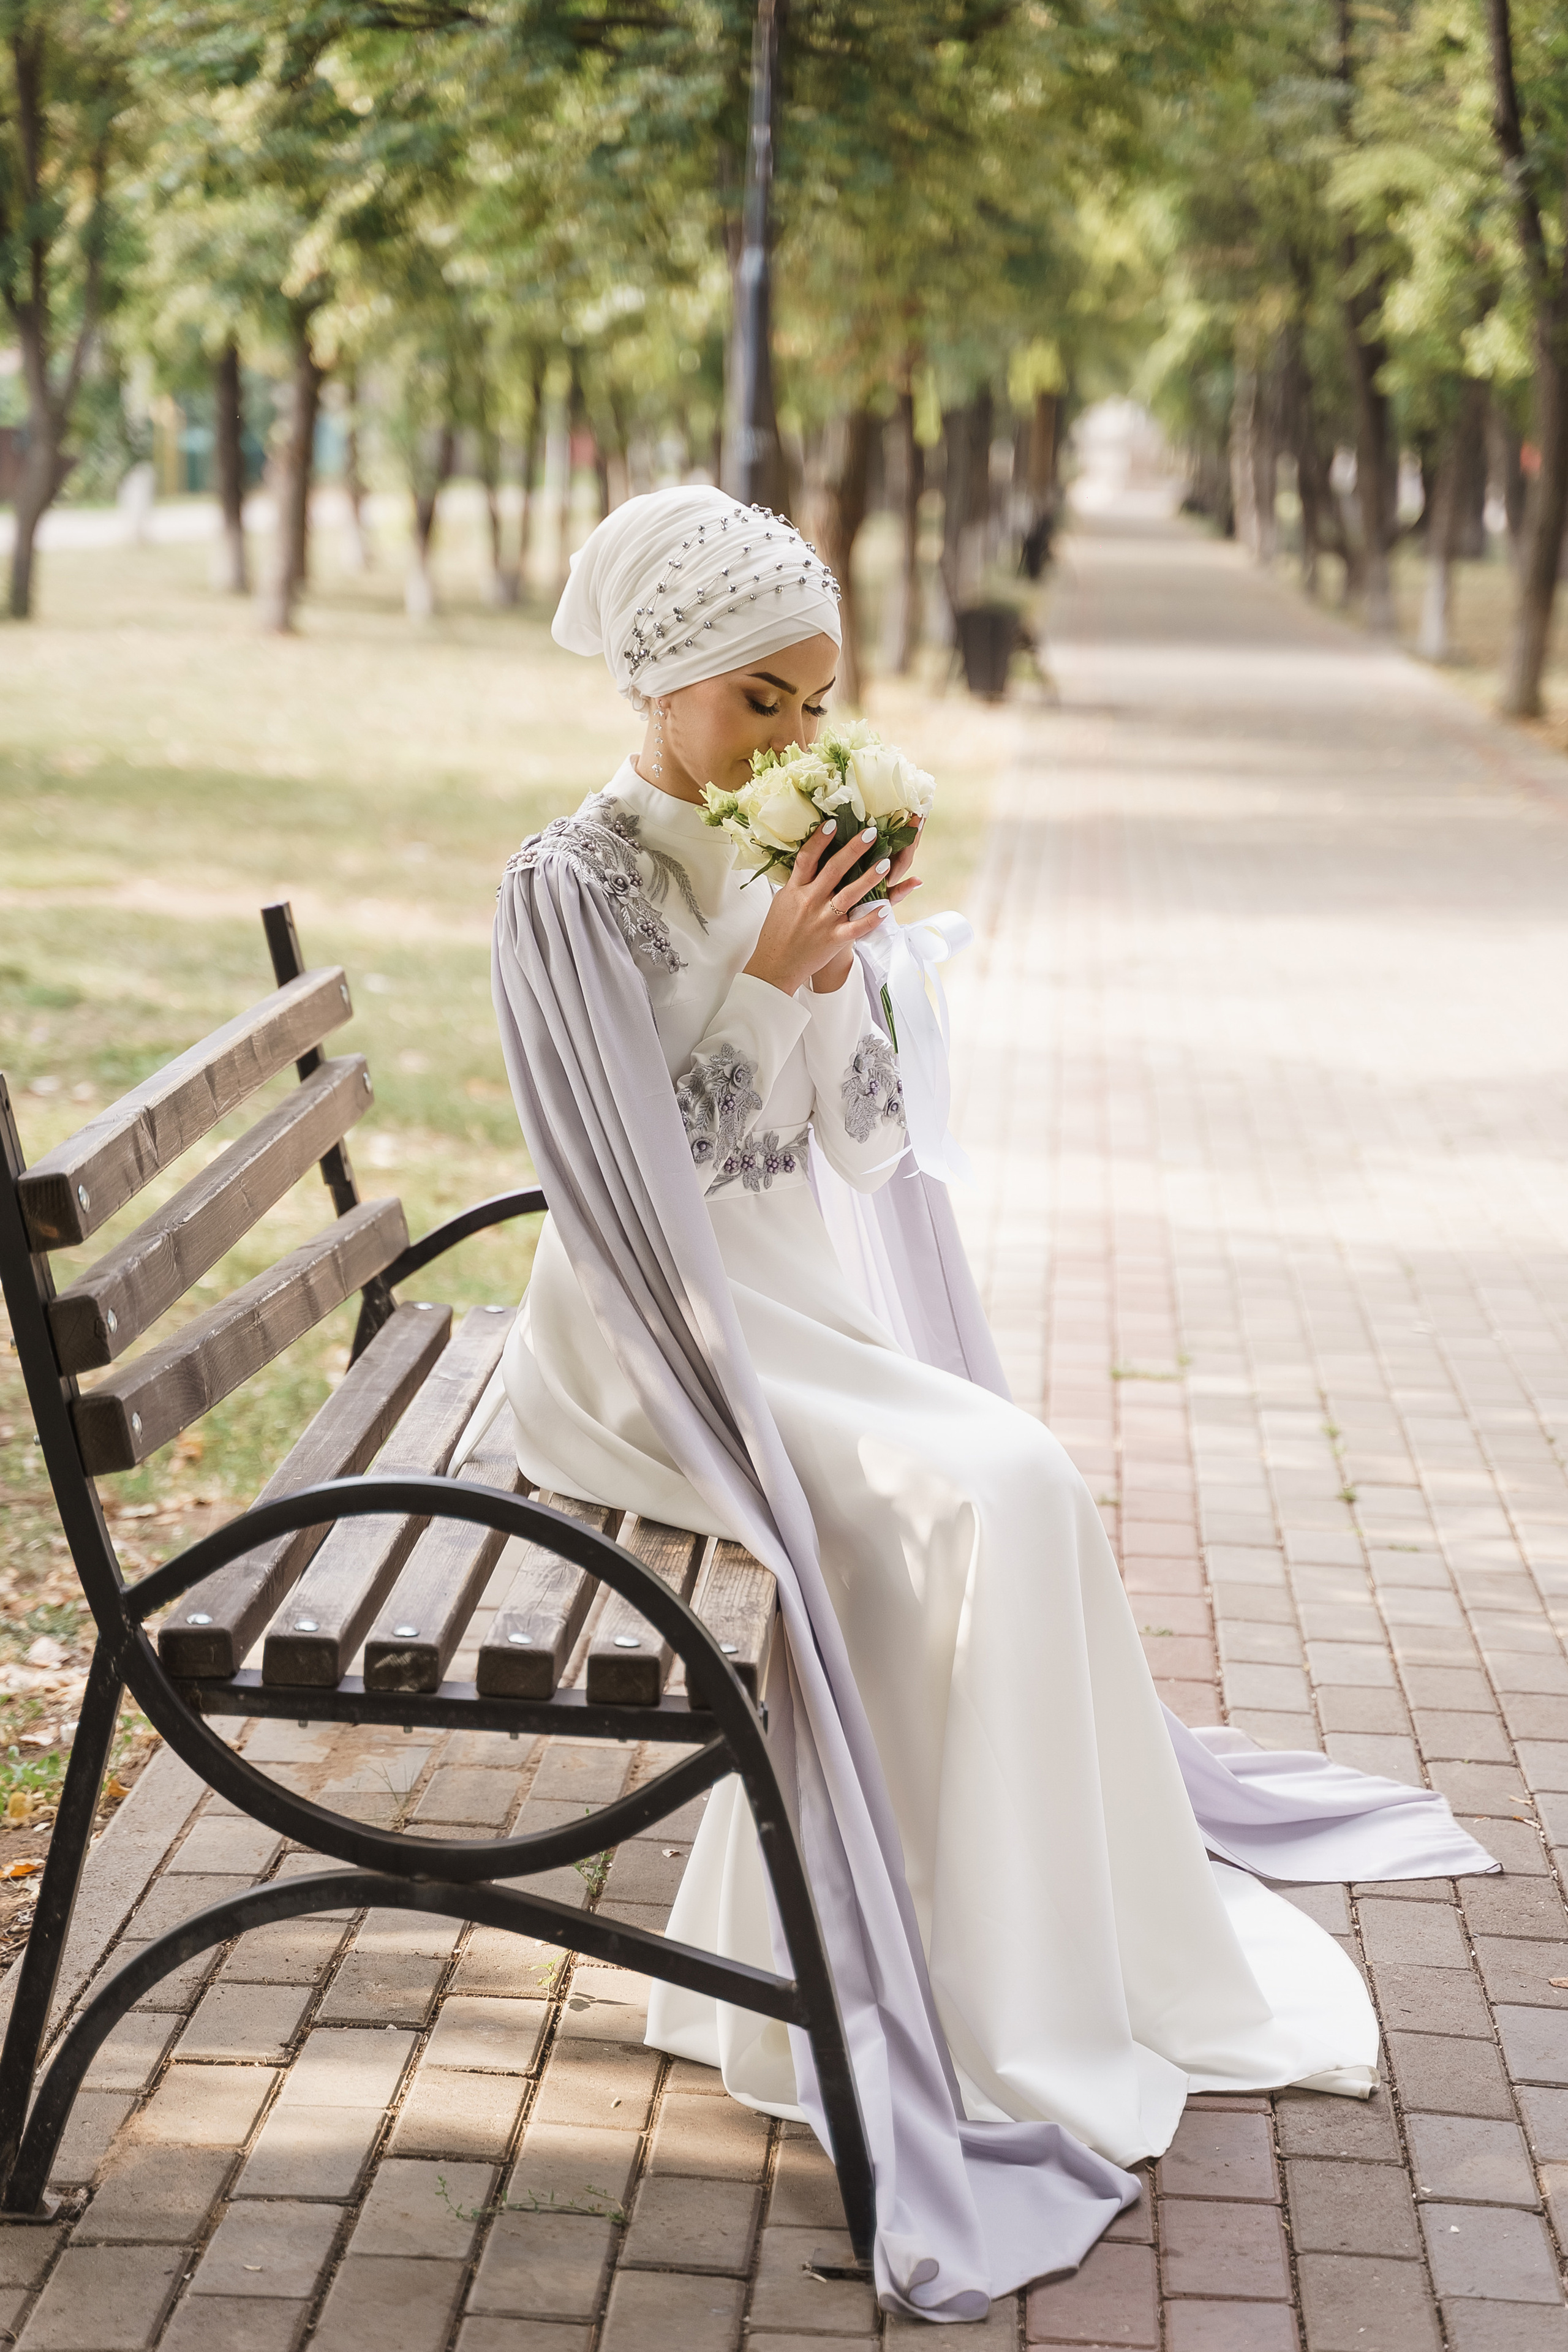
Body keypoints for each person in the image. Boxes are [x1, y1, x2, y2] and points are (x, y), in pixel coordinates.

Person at [475, 483, 1495, 2320]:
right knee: (984, 1490)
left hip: (790, 1310)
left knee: (1014, 1473)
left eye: (814, 700)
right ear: (659, 680)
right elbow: (634, 1177)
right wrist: (767, 979)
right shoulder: (570, 887)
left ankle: (1011, 1959)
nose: (793, 736)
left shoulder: (780, 853)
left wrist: (858, 979)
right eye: (759, 700)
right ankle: (912, 1984)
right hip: (647, 1342)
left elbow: (860, 1148)